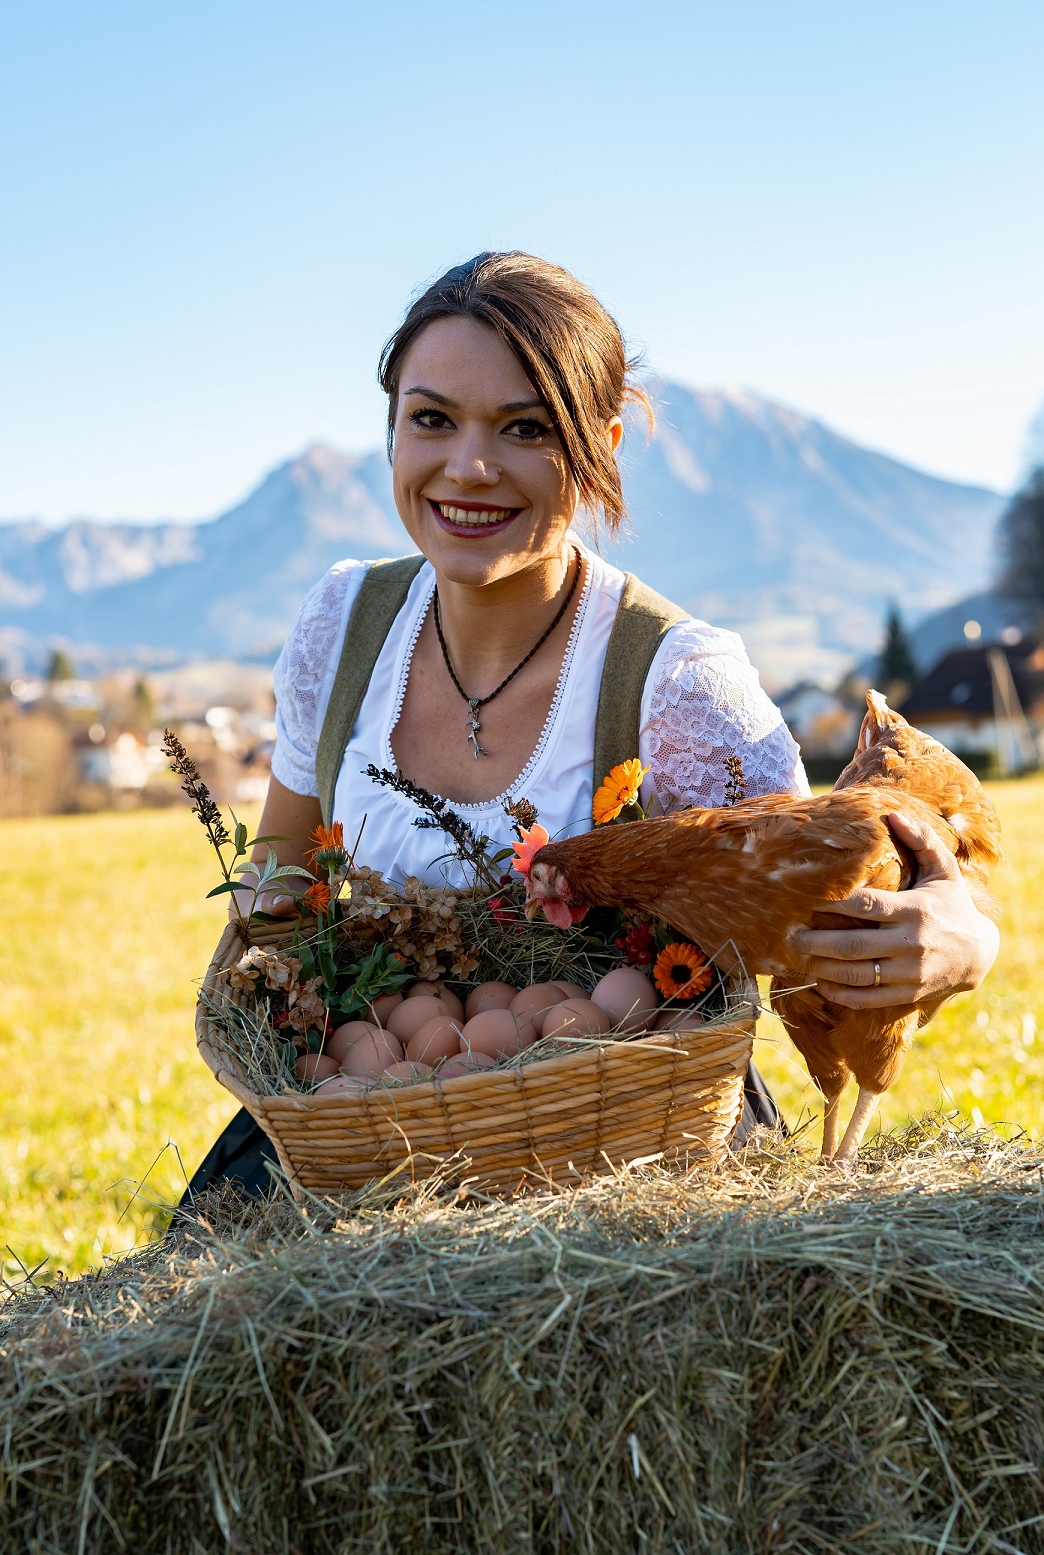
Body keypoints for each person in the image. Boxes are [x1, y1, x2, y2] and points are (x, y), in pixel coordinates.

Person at [179, 251, 999, 1205]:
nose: (469, 465)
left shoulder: (678, 684)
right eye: (431, 418)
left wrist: (965, 941)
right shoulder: (343, 626)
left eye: (524, 428)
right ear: (392, 429)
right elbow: (280, 879)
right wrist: (291, 1005)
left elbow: (824, 901)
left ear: (598, 445)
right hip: (366, 1140)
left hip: (631, 1154)